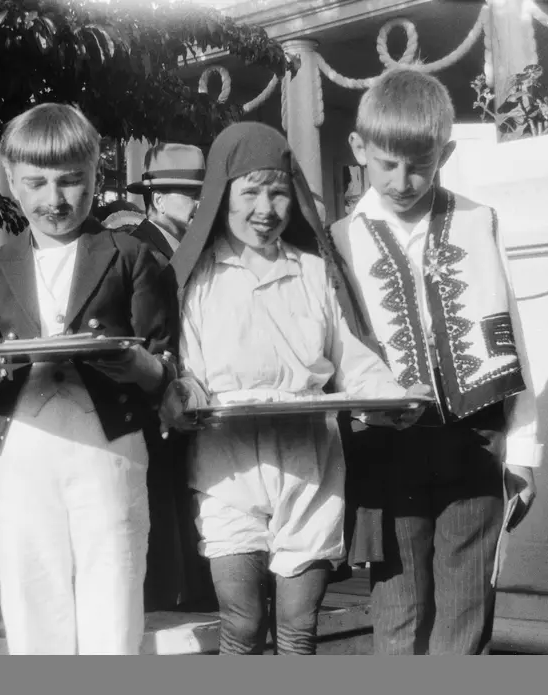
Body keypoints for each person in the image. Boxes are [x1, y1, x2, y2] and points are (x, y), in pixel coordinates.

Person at [160, 121, 425, 655]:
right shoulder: (195, 281)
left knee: (299, 628)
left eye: (278, 191)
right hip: (226, 465)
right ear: (221, 195)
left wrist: (395, 395)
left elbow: (352, 359)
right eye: (250, 192)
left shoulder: (314, 272)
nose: (266, 208)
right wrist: (182, 395)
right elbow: (181, 367)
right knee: (241, 624)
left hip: (309, 463)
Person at [324, 68, 541, 655]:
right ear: (359, 149)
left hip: (473, 443)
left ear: (445, 151)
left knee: (468, 610)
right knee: (399, 609)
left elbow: (511, 335)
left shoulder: (479, 221)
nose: (402, 180)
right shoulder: (339, 241)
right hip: (386, 450)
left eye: (420, 163)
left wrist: (524, 450)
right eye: (388, 163)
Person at [0, 103, 178, 655]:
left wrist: (138, 365)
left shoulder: (132, 258)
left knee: (113, 583)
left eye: (72, 181)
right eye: (37, 183)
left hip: (109, 445)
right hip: (23, 446)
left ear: (97, 176)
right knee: (32, 590)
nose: (55, 199)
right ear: (10, 182)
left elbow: (164, 366)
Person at [122, 141, 214, 613]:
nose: (201, 203)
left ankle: (193, 587)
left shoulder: (191, 245)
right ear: (158, 199)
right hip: (157, 390)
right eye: (189, 194)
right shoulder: (138, 248)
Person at [125, 142, 205, 264]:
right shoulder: (138, 256)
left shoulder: (185, 248)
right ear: (159, 201)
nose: (201, 202)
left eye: (203, 194)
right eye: (192, 193)